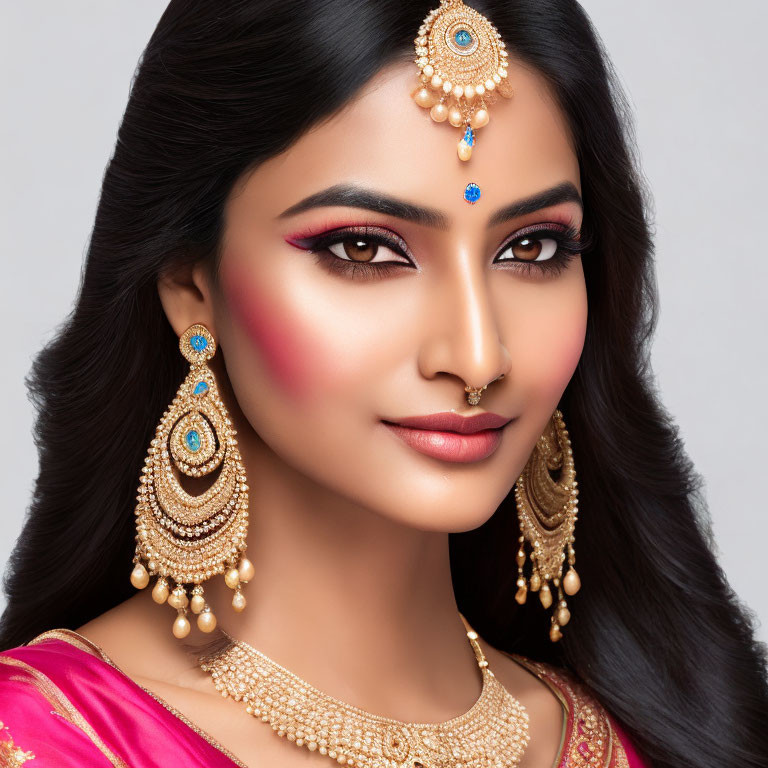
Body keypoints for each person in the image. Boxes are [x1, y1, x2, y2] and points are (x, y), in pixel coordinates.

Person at [1, 1, 766, 766]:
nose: (477, 355)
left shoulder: (641, 743)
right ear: (191, 285)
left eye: (531, 248)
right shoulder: (47, 741)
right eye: (365, 249)